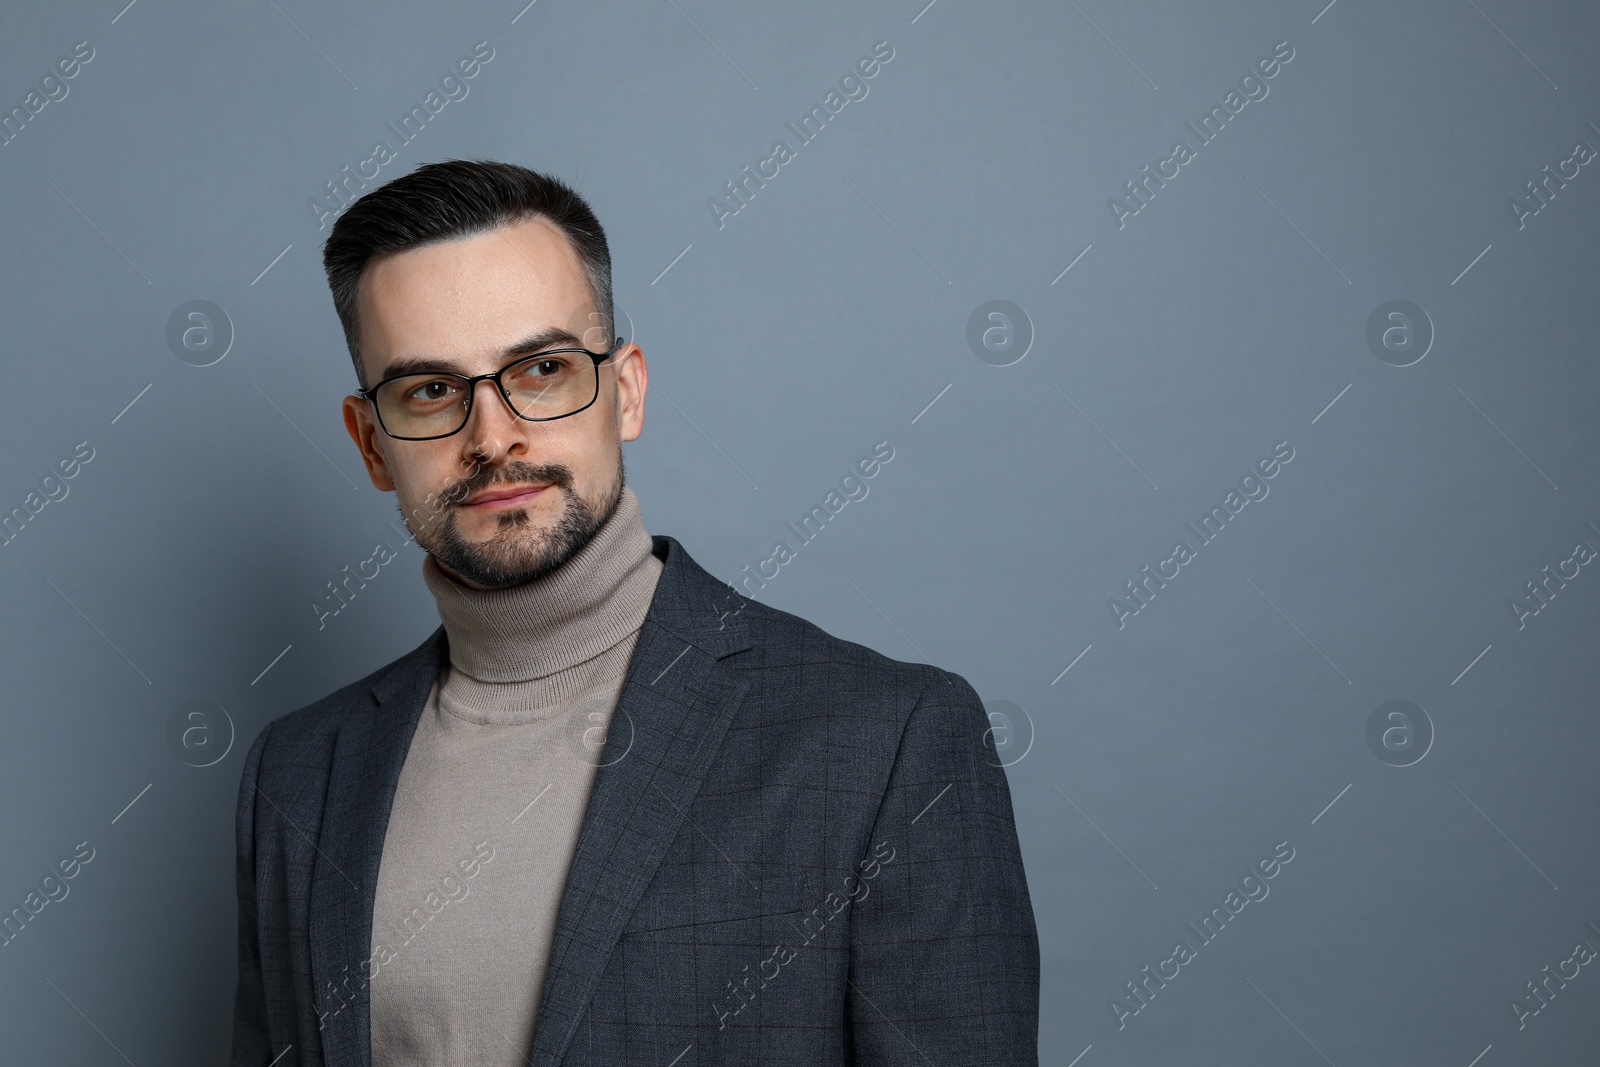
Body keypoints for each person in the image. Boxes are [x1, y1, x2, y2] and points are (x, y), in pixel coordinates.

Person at [231, 159, 1039, 1066]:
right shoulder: (297, 778)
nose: (492, 437)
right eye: (429, 391)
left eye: (541, 369)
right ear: (371, 444)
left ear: (628, 391)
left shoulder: (886, 745)